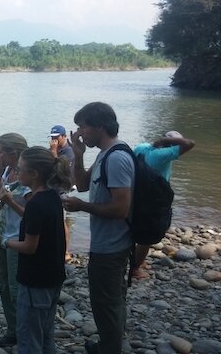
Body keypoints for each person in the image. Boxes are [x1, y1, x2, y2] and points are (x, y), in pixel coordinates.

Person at [62, 102, 134, 354]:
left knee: (107, 301)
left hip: (112, 246)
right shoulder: (104, 155)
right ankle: (110, 343)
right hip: (106, 243)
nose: (79, 133)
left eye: (82, 127)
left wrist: (82, 207)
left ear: (100, 127)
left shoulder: (117, 158)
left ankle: (111, 348)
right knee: (109, 299)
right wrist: (79, 155)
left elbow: (120, 209)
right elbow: (80, 184)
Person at [0, 146, 71, 353]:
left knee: (29, 339)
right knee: (46, 334)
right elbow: (34, 223)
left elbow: (29, 247)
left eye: (20, 169)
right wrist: (11, 204)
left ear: (34, 174)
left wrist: (3, 242)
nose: (17, 173)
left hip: (35, 281)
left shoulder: (36, 203)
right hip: (53, 278)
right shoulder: (52, 197)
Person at [0, 133, 30, 347]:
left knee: (15, 288)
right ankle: (13, 329)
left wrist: (11, 203)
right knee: (3, 285)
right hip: (2, 237)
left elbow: (33, 216)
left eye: (0, 151)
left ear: (13, 153)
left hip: (17, 239)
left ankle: (24, 331)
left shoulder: (28, 176)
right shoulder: (7, 172)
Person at [131, 130, 195, 279]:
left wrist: (159, 142)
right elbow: (190, 144)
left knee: (135, 230)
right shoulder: (163, 155)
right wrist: (167, 142)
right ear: (169, 145)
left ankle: (135, 261)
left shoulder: (142, 147)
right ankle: (135, 269)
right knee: (146, 237)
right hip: (154, 199)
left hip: (137, 194)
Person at [49, 124, 75, 262]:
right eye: (52, 138)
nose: (54, 141)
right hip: (52, 188)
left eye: (57, 138)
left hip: (61, 189)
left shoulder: (68, 152)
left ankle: (65, 251)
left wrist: (53, 152)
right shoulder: (56, 149)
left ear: (64, 136)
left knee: (61, 221)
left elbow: (61, 171)